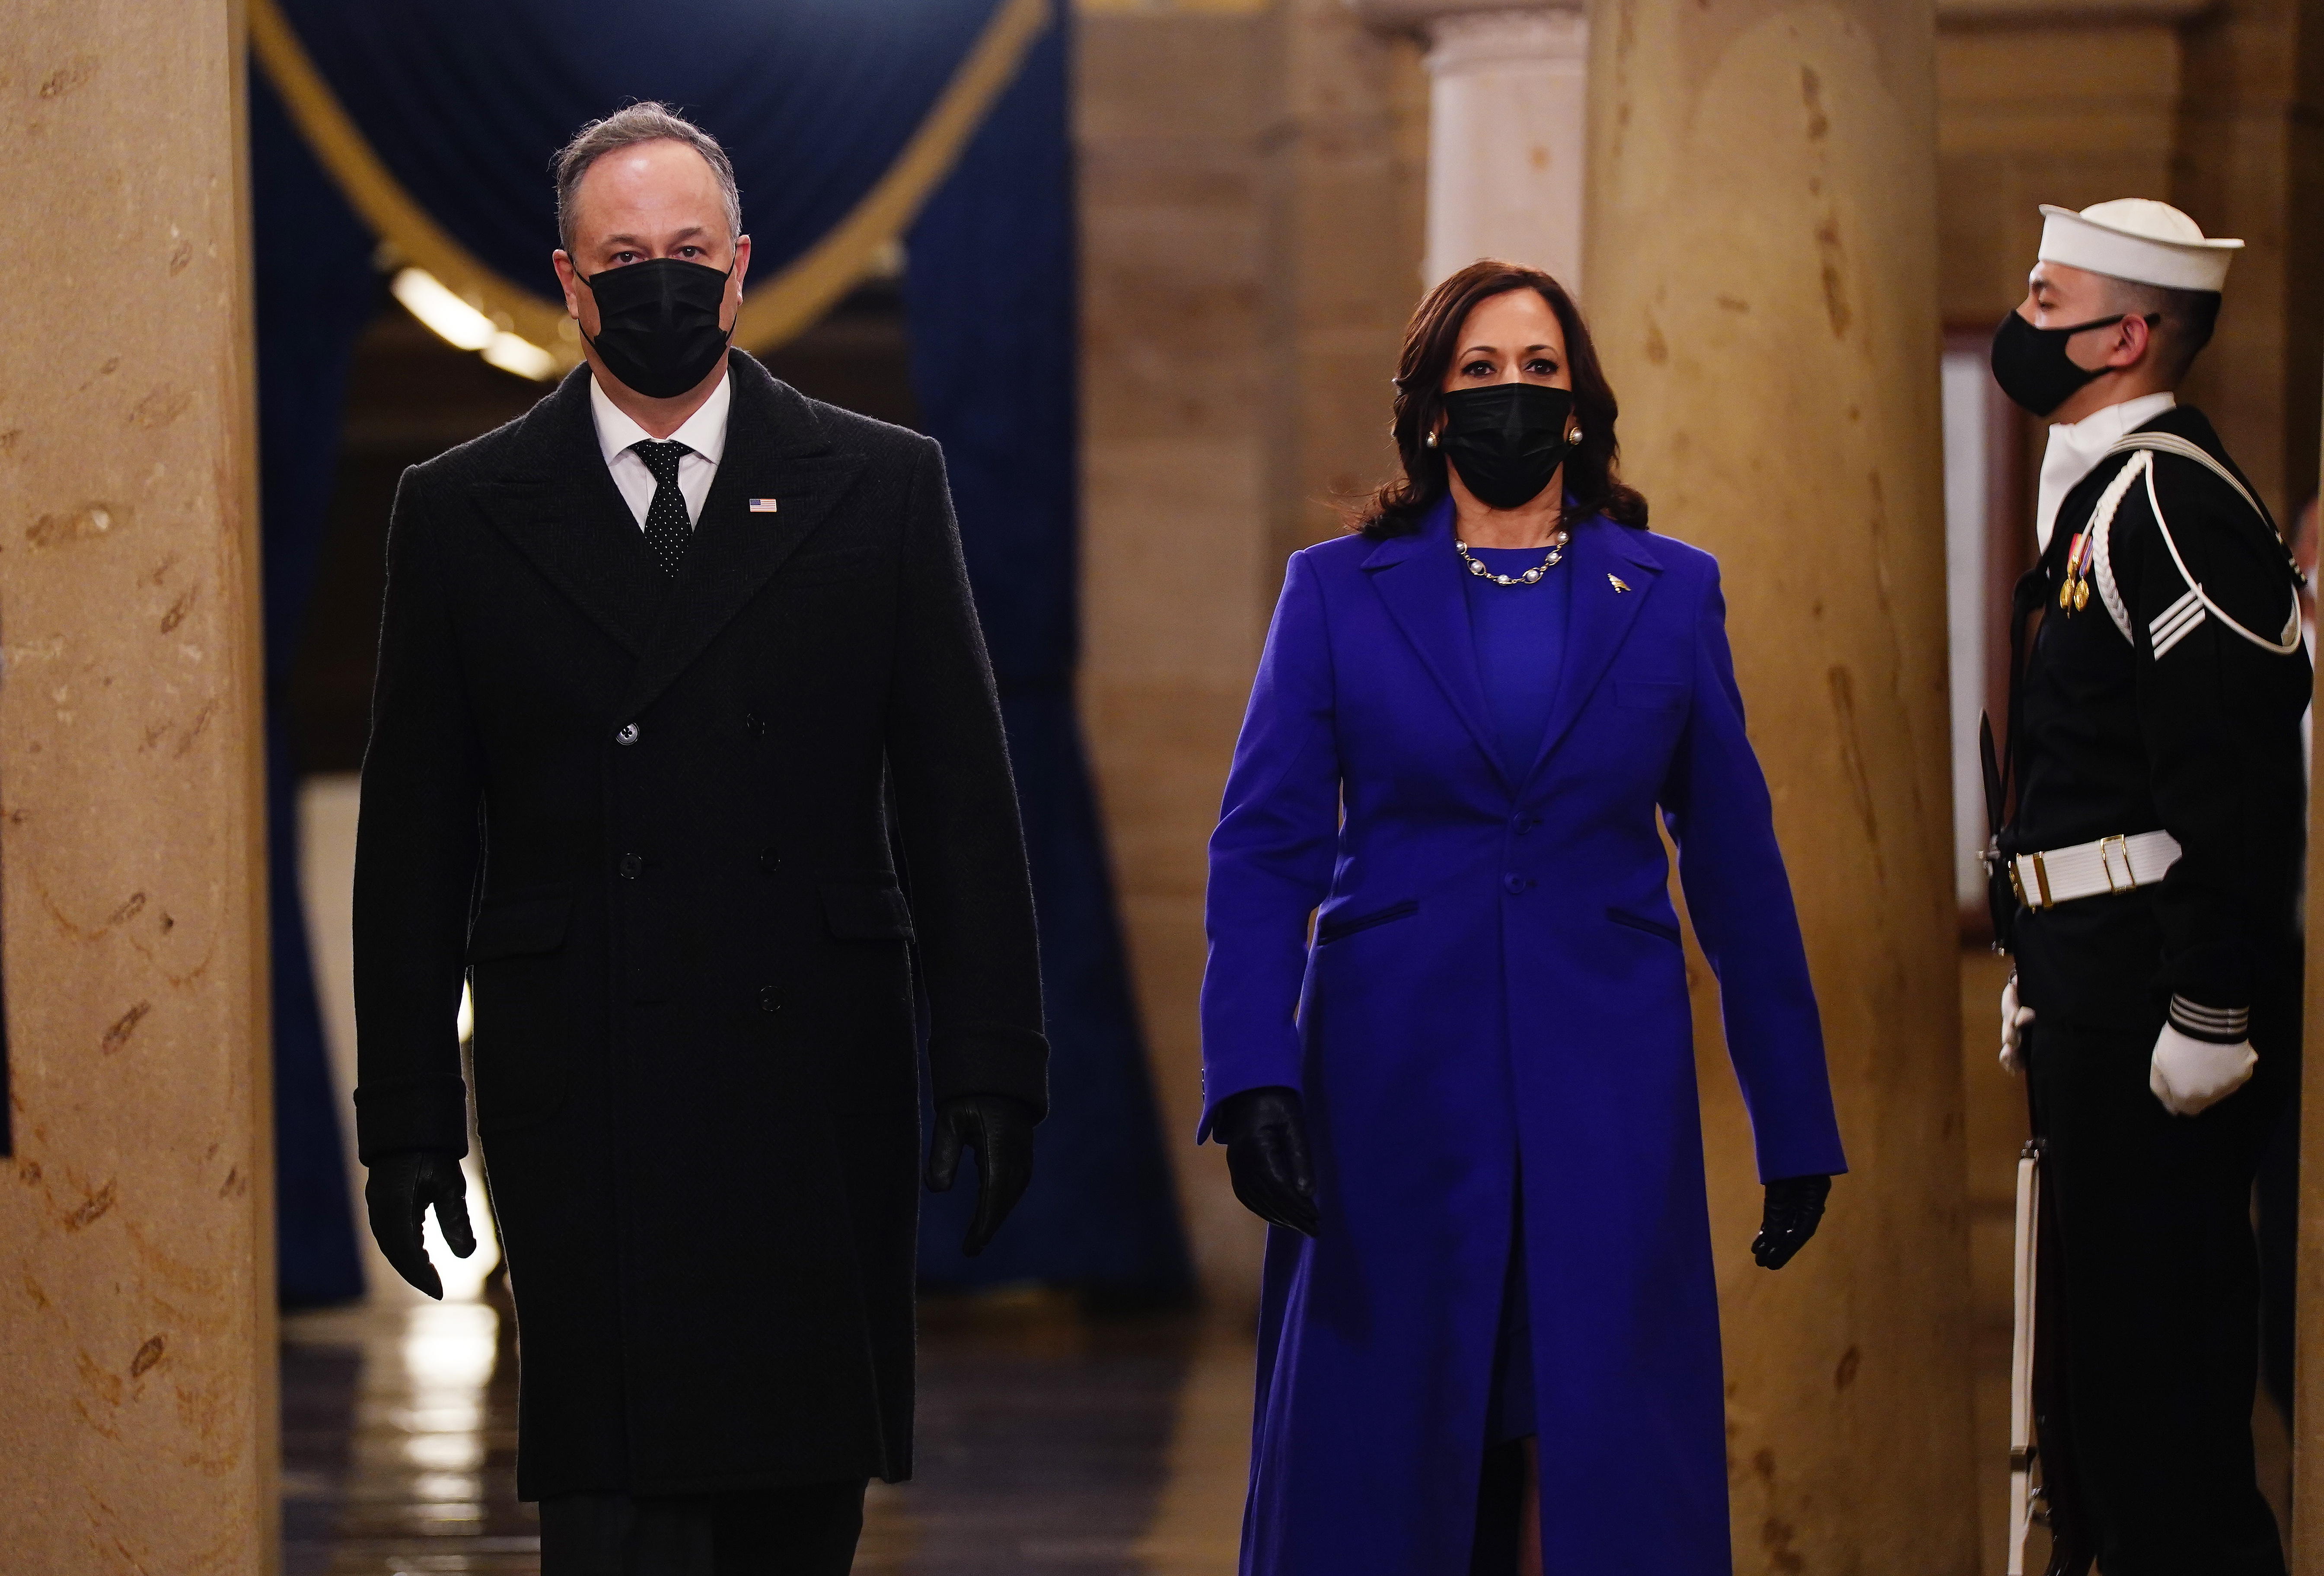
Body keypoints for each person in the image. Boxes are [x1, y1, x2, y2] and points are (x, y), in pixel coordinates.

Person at [352, 103, 1048, 1575]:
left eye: (685, 253)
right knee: (616, 1520)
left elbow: (959, 802)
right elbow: (414, 847)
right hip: (581, 1075)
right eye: (624, 258)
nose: (657, 283)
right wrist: (408, 1121)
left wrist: (995, 1062)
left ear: (738, 272)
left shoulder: (881, 484)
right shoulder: (462, 511)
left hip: (815, 1069)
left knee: (798, 1508)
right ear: (568, 278)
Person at [1199, 259, 1847, 1576]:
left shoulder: (1668, 591)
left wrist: (1794, 1118)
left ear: (1578, 404)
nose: (1510, 394)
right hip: (1388, 1075)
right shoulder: (1334, 590)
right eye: (1479, 372)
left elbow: (1732, 861)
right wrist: (1251, 1072)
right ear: (1432, 410)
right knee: (1385, 1433)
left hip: (1604, 1078)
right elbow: (1262, 847)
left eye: (1537, 370)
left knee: (1602, 1423)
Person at [1988, 198, 2308, 1576]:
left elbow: (2230, 778)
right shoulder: (2102, 495)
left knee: (2160, 1409)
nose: (2022, 322)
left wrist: (2209, 1004)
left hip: (2151, 1004)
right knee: (2095, 1405)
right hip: (2093, 985)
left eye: (2046, 301)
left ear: (2123, 335)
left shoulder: (2170, 501)